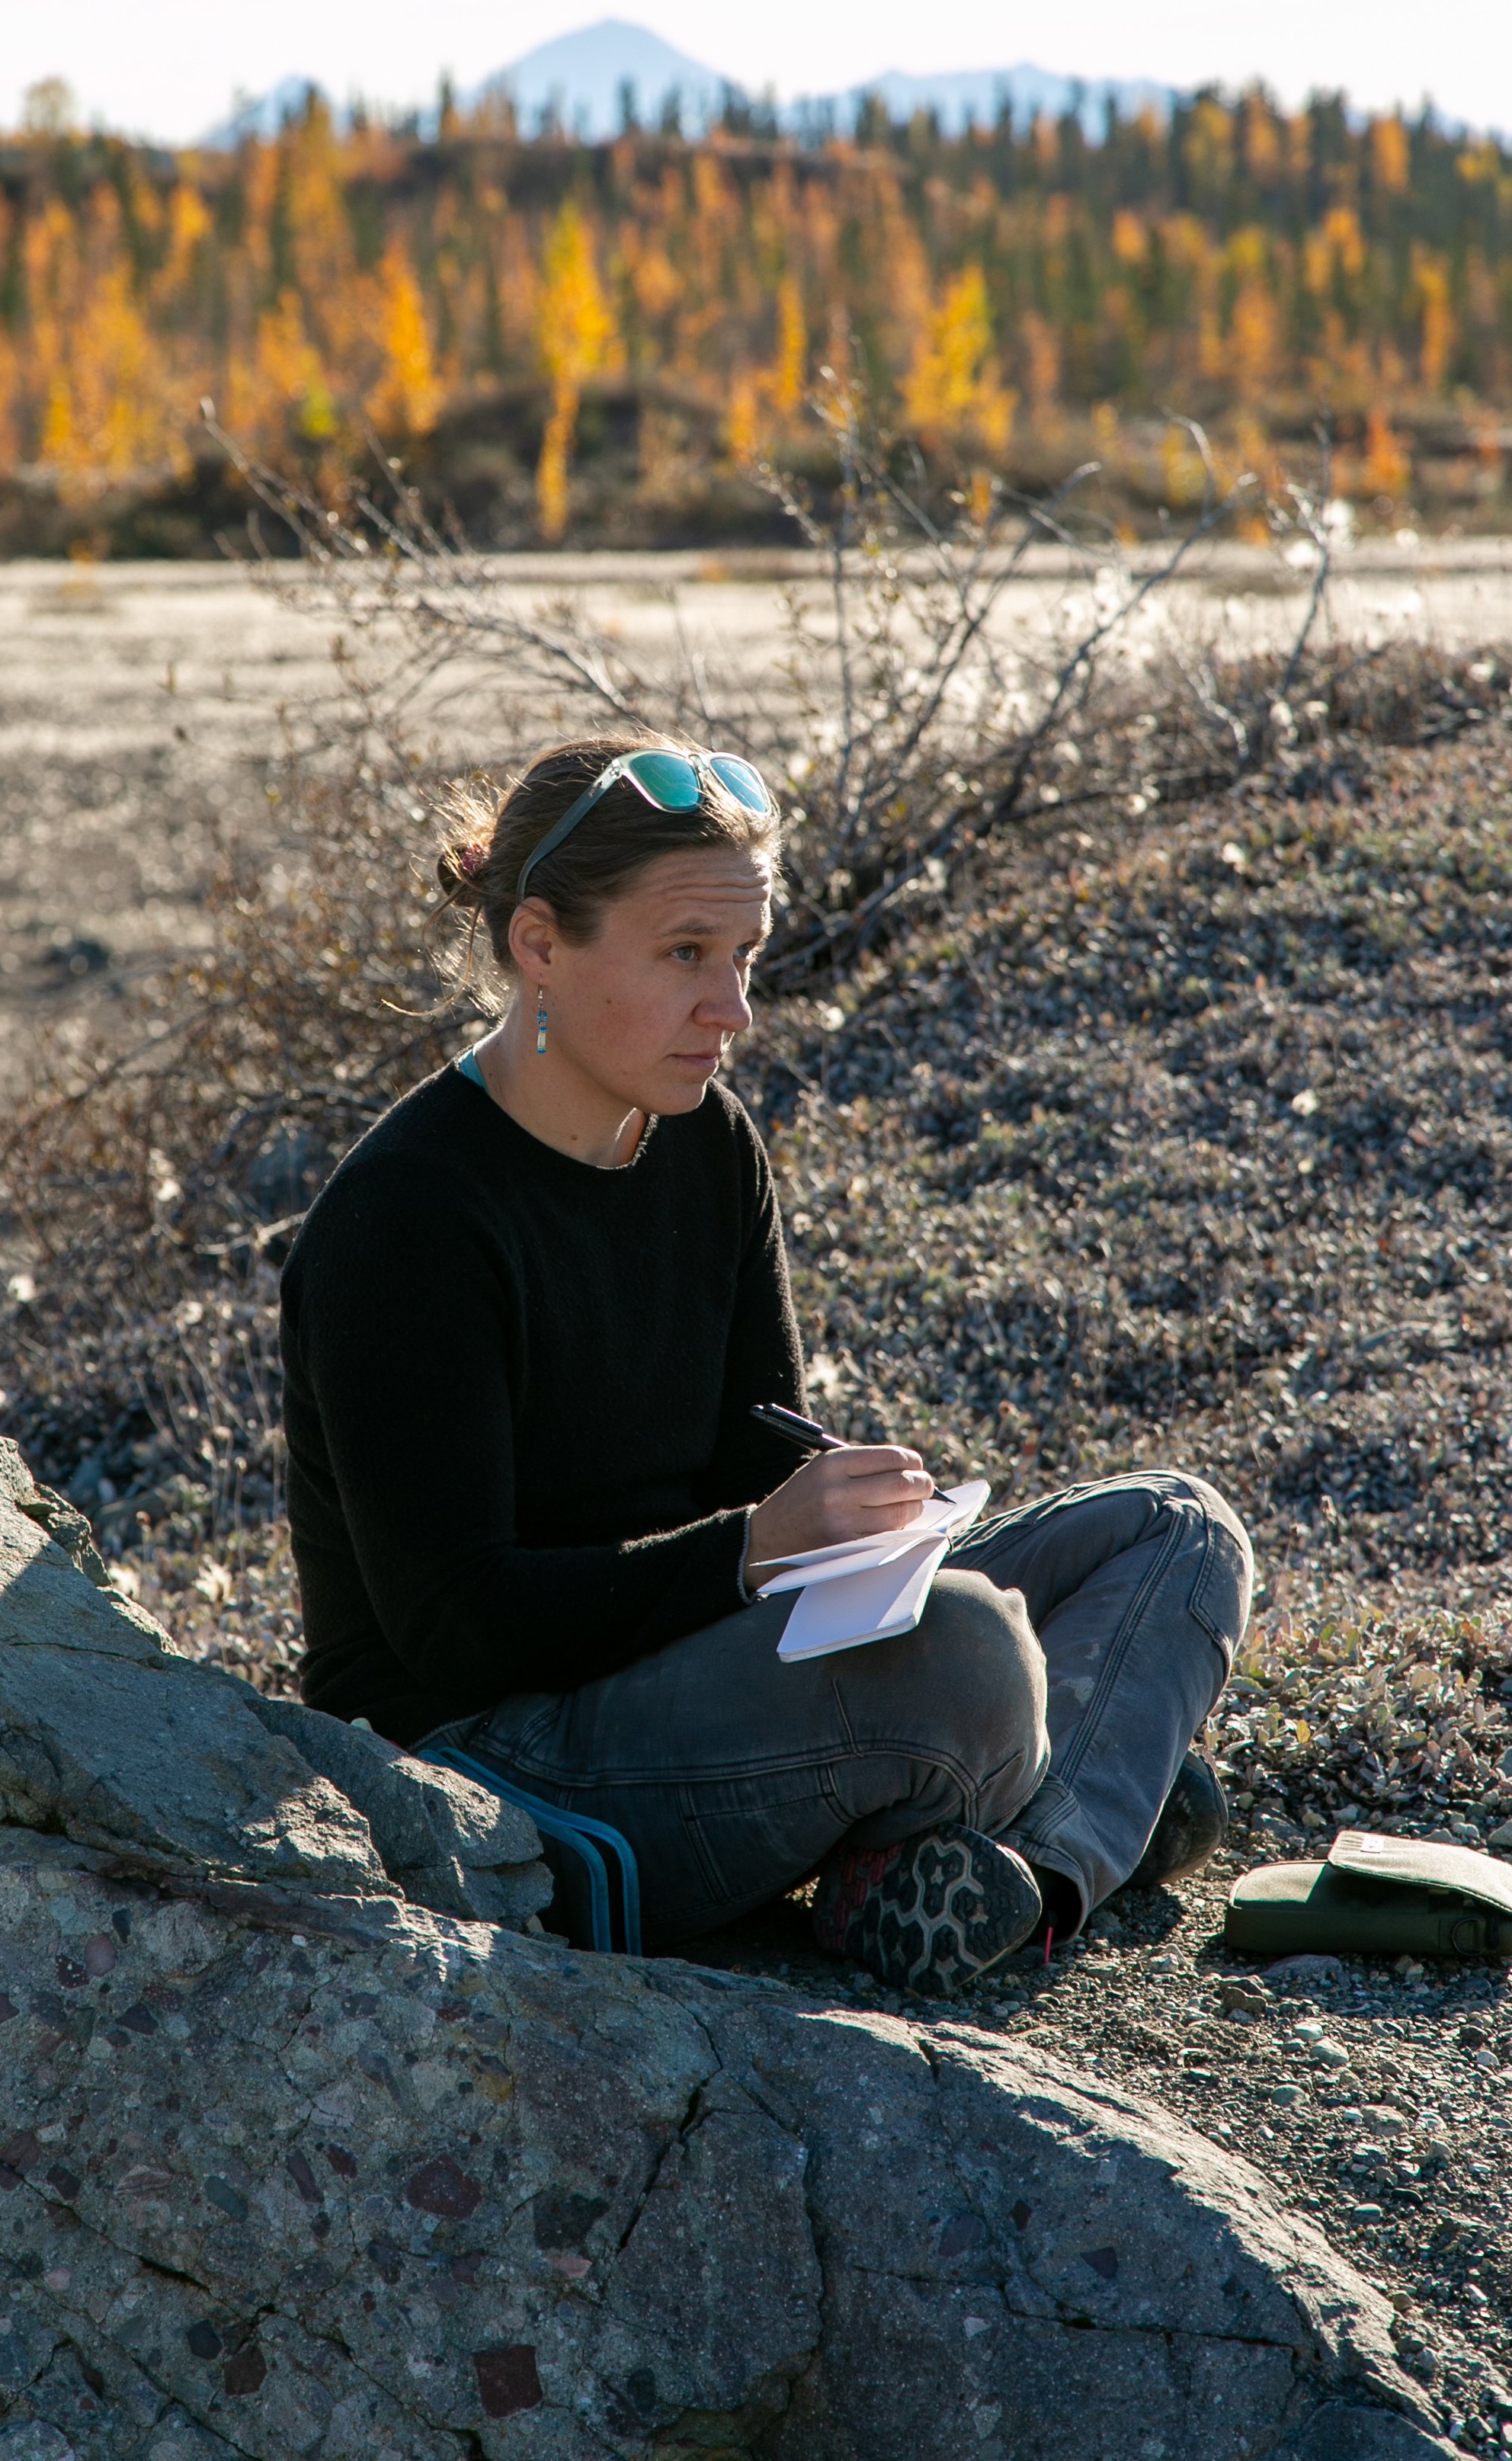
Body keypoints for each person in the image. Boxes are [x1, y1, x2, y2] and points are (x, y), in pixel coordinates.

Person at [280, 733, 1253, 1994]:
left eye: (740, 959)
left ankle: (1030, 1864)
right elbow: (453, 1631)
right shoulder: (404, 1220)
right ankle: (1068, 1800)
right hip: (495, 1765)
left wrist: (854, 1515)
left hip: (692, 1662)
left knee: (1177, 1529)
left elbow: (752, 1444)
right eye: (685, 954)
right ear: (538, 945)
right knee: (969, 1652)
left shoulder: (704, 1137)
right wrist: (755, 1547)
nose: (730, 1010)